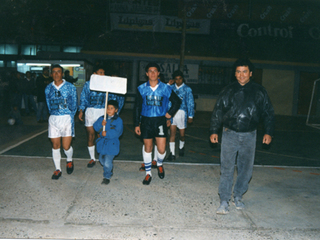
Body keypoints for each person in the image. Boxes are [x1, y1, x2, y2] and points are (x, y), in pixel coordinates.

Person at [209, 58, 275, 214]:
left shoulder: (260, 91)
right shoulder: (227, 90)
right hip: (229, 134)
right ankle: (224, 201)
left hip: (249, 135)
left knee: (246, 170)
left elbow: (268, 113)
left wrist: (269, 132)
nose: (241, 75)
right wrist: (213, 130)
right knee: (226, 168)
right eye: (238, 72)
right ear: (235, 74)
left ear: (251, 73)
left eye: (244, 71)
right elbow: (218, 111)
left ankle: (238, 196)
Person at [134, 62, 181, 185]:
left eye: (155, 71)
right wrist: (136, 124)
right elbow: (137, 107)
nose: (153, 73)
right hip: (146, 121)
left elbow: (177, 102)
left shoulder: (166, 88)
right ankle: (148, 174)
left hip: (160, 120)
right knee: (148, 147)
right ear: (146, 73)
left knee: (161, 149)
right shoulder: (141, 88)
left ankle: (159, 163)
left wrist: (170, 113)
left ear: (158, 73)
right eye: (150, 71)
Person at [79, 66, 126, 168]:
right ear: (95, 74)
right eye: (100, 72)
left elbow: (114, 99)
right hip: (90, 111)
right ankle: (92, 158)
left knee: (101, 135)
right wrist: (81, 110)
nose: (103, 75)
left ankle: (103, 155)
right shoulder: (88, 84)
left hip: (102, 111)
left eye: (104, 73)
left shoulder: (106, 85)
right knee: (90, 135)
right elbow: (83, 98)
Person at [45, 64, 78, 180]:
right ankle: (58, 169)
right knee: (55, 145)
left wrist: (69, 115)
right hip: (53, 118)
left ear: (62, 74)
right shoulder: (48, 88)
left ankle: (69, 160)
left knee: (66, 146)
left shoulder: (70, 87)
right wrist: (54, 114)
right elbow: (49, 105)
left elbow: (74, 105)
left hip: (66, 118)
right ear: (51, 74)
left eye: (58, 71)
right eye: (53, 72)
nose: (56, 74)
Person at [166, 70, 195, 161]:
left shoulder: (187, 89)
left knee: (182, 135)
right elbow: (164, 95)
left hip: (182, 113)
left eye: (180, 79)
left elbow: (190, 102)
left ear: (182, 79)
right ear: (174, 80)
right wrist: (167, 84)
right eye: (176, 79)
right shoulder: (170, 88)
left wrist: (191, 116)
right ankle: (172, 153)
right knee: (172, 134)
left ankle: (181, 146)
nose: (178, 81)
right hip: (172, 113)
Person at [93, 100, 123, 185]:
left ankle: (107, 176)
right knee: (101, 160)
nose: (109, 110)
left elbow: (118, 132)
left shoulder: (118, 120)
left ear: (116, 110)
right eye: (107, 108)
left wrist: (107, 133)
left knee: (107, 162)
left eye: (111, 108)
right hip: (102, 144)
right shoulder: (102, 118)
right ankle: (109, 168)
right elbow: (95, 127)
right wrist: (101, 125)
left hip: (112, 144)